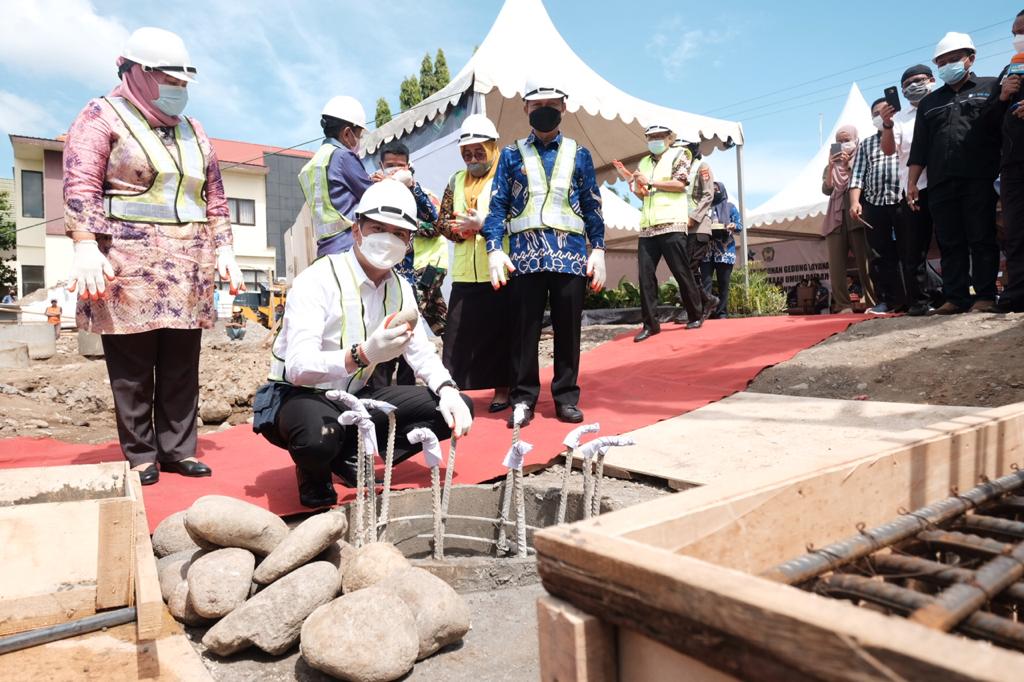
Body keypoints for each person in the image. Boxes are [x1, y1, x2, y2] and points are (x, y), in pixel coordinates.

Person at [62, 27, 244, 485]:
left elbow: (215, 196)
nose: (178, 91)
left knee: (183, 363)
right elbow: (80, 181)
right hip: (126, 268)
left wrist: (225, 247)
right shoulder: (101, 115)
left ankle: (179, 449)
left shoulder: (193, 130)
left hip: (189, 269)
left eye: (183, 84)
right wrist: (85, 243)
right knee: (133, 367)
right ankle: (141, 454)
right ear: (136, 72)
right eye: (170, 81)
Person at [253, 180, 474, 508]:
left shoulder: (401, 288)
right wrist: (362, 355)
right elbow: (298, 368)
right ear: (357, 231)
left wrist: (448, 389)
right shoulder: (318, 279)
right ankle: (316, 470)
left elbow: (420, 351)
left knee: (453, 411)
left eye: (399, 233)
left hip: (355, 396)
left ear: (409, 241)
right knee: (318, 438)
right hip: (300, 396)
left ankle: (347, 455)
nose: (388, 239)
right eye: (377, 228)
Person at [482, 80, 606, 427]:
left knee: (569, 332)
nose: (545, 111)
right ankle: (523, 400)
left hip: (570, 257)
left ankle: (566, 397)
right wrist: (494, 248)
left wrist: (598, 249)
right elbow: (498, 207)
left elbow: (592, 206)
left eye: (552, 104)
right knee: (523, 333)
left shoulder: (579, 154)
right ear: (526, 109)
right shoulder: (510, 154)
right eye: (538, 106)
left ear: (564, 107)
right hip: (524, 257)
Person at [908, 32, 1005, 314]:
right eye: (942, 62)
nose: (947, 65)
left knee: (981, 236)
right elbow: (920, 148)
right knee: (950, 241)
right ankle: (956, 298)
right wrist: (912, 183)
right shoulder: (929, 102)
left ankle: (985, 296)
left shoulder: (992, 87)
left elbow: (1001, 128)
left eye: (953, 59)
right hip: (940, 182)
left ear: (970, 59)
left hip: (979, 177)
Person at [437, 114, 512, 412]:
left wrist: (484, 225)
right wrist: (458, 231)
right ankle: (450, 390)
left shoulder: (506, 178)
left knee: (499, 333)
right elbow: (441, 220)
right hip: (465, 272)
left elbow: (518, 219)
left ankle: (502, 390)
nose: (472, 158)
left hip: (499, 270)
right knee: (456, 336)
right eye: (466, 154)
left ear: (494, 147)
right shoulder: (456, 181)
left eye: (479, 152)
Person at [629, 124, 704, 342]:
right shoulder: (643, 162)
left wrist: (650, 182)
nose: (655, 140)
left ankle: (695, 313)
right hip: (648, 226)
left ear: (669, 138)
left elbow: (680, 184)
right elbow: (643, 194)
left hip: (671, 223)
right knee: (645, 276)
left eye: (659, 136)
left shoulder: (680, 154)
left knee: (681, 272)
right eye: (651, 137)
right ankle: (650, 324)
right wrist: (637, 188)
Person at [878, 65, 939, 316]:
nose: (913, 86)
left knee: (954, 240)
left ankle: (961, 296)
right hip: (913, 190)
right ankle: (920, 302)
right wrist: (887, 125)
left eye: (918, 80)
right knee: (913, 250)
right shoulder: (901, 119)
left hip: (945, 184)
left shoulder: (941, 104)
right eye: (907, 84)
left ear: (932, 80)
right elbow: (889, 151)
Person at [298, 96, 373, 257]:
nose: (359, 141)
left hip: (325, 250)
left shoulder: (312, 165)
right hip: (349, 247)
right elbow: (373, 196)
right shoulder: (342, 157)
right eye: (358, 136)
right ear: (347, 134)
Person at [850, 98, 902, 315]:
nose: (880, 117)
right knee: (879, 256)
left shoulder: (906, 134)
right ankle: (884, 300)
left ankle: (917, 298)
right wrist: (855, 202)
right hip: (874, 203)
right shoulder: (867, 143)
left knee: (909, 251)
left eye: (884, 111)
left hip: (903, 200)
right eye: (875, 113)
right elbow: (858, 175)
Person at [822, 125, 875, 313]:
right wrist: (832, 166)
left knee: (865, 262)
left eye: (847, 140)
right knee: (836, 266)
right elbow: (827, 189)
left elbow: (862, 182)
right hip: (835, 218)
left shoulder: (863, 157)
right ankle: (843, 305)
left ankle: (872, 302)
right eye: (839, 141)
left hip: (856, 214)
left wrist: (847, 165)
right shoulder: (831, 164)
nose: (843, 144)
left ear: (855, 139)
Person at [996, 12, 1024, 313]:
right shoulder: (1010, 70)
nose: (1018, 36)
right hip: (1013, 163)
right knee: (1015, 230)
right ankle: (1017, 292)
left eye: (1023, 30)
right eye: (1014, 31)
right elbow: (988, 124)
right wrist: (1002, 98)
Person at [684, 141, 720, 320]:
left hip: (698, 227)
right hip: (683, 229)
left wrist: (694, 217)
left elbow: (708, 194)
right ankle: (699, 304)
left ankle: (707, 300)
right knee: (688, 271)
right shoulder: (680, 170)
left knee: (689, 269)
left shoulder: (702, 166)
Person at [700, 182, 742, 319]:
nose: (714, 192)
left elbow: (740, 225)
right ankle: (705, 312)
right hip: (706, 250)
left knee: (723, 283)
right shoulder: (704, 207)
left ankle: (722, 312)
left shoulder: (730, 207)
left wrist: (732, 225)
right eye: (712, 190)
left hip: (724, 251)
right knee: (705, 282)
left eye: (717, 190)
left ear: (722, 191)